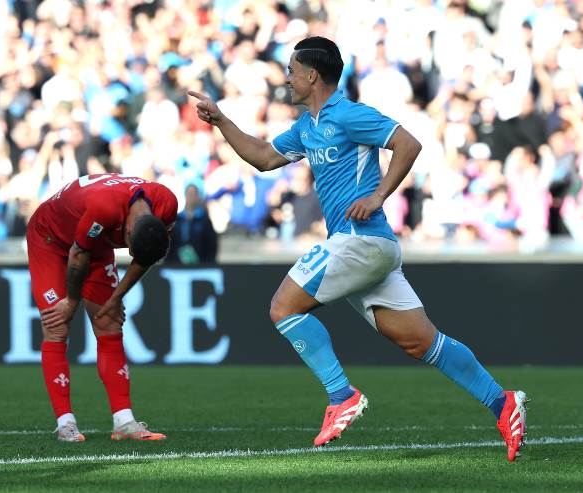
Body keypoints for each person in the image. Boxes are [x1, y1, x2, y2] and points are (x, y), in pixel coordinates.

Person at [189, 36, 528, 462]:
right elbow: (262, 157)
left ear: (312, 75)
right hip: (370, 247)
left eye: (292, 71)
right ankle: (503, 404)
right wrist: (220, 120)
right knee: (421, 342)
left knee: (283, 308)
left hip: (359, 239)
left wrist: (380, 195)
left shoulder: (349, 114)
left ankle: (341, 395)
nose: (287, 79)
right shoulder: (306, 127)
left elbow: (409, 144)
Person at [26, 173, 177, 442]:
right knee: (57, 324)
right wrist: (71, 300)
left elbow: (147, 256)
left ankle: (124, 422)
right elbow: (77, 254)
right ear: (128, 231)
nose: (130, 254)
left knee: (108, 321)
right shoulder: (104, 207)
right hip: (50, 238)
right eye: (130, 248)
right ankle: (65, 424)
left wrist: (116, 297)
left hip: (94, 241)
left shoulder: (166, 203)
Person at [167, 183, 218, 264]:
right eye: (189, 194)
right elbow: (170, 243)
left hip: (200, 263)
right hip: (177, 264)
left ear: (198, 197)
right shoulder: (177, 219)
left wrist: (208, 263)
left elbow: (211, 244)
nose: (191, 197)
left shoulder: (204, 220)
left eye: (194, 194)